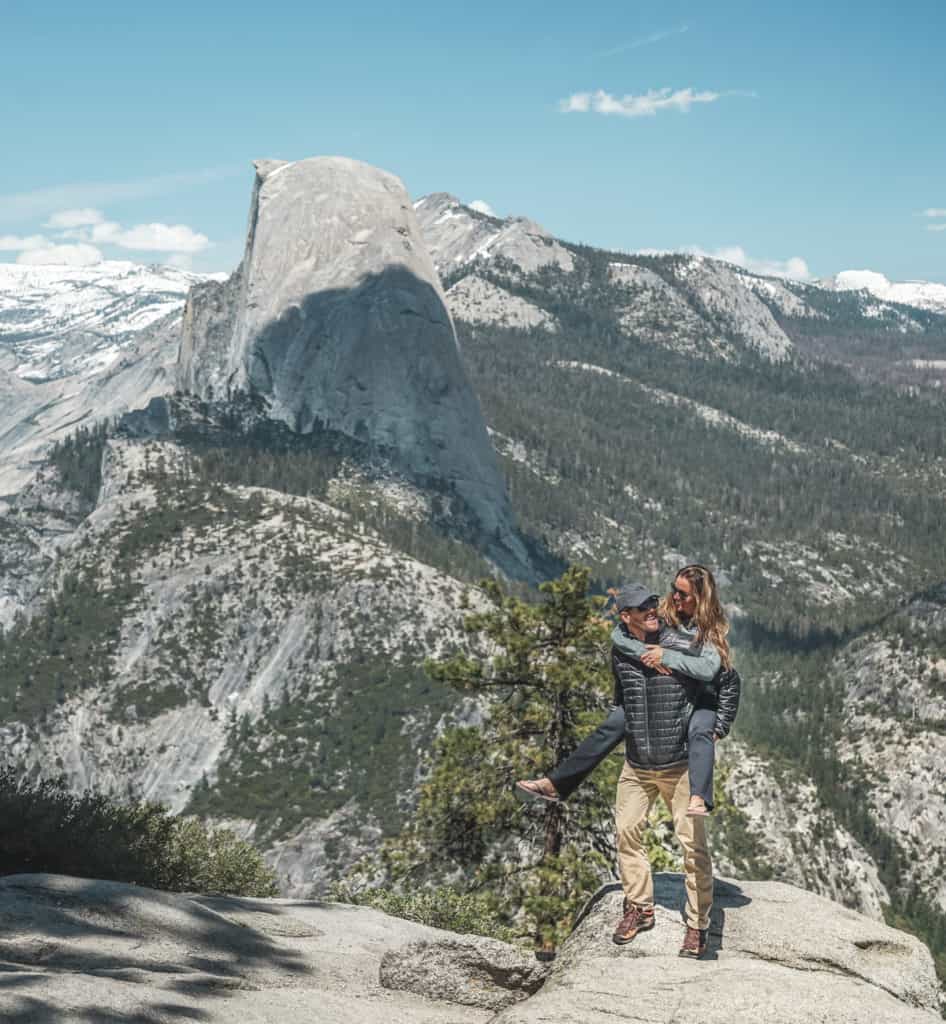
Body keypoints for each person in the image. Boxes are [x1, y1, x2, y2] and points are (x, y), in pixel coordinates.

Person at [517, 565, 740, 816]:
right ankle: (556, 784)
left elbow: (720, 675)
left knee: (701, 730)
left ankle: (699, 797)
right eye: (673, 589)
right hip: (653, 699)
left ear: (700, 599)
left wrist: (721, 724)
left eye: (682, 594)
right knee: (610, 727)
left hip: (697, 702)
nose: (674, 596)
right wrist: (645, 657)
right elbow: (621, 636)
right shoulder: (665, 616)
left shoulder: (708, 631)